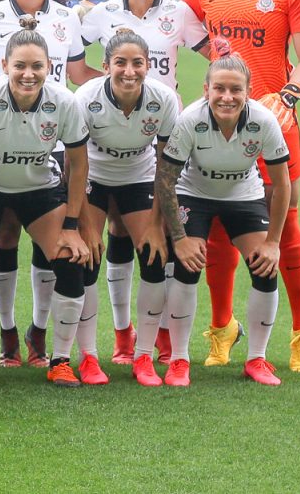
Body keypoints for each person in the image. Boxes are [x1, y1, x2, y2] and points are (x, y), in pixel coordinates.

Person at [182, 0, 300, 372]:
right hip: (220, 122)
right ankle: (223, 329)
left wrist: (290, 94)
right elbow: (176, 26)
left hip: (274, 124)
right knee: (219, 229)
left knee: (286, 225)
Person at [77, 0, 215, 366]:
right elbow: (76, 70)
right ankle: (122, 335)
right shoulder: (101, 15)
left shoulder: (179, 14)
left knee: (159, 238)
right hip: (112, 135)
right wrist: (118, 90)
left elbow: (219, 57)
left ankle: (157, 337)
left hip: (160, 133)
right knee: (113, 234)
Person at [0, 0, 98, 368]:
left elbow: (78, 73)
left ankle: (43, 334)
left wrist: (129, 78)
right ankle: (4, 334)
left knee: (56, 251)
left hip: (50, 151)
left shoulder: (66, 19)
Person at [153, 56, 292, 386]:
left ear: (249, 92)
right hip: (194, 193)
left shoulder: (264, 120)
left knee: (265, 265)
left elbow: (282, 183)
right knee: (187, 265)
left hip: (243, 194)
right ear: (206, 90)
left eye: (235, 89)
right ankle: (179, 360)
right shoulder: (190, 119)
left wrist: (273, 243)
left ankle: (256, 359)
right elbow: (166, 179)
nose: (226, 96)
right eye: (219, 88)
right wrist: (180, 238)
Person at [74, 29, 184, 386]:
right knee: (86, 257)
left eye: (138, 63)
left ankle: (143, 357)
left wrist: (156, 222)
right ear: (106, 65)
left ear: (148, 66)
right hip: (93, 176)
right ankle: (89, 357)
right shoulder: (86, 97)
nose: (129, 71)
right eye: (120, 62)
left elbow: (167, 164)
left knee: (154, 255)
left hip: (140, 176)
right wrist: (85, 225)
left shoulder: (164, 99)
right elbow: (74, 164)